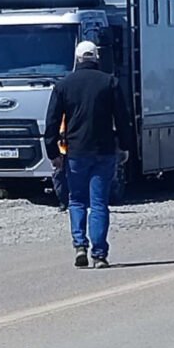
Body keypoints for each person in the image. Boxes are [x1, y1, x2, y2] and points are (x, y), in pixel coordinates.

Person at [44, 40, 132, 269]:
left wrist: (52, 151)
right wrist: (124, 146)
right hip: (104, 151)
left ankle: (80, 246)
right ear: (96, 58)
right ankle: (100, 254)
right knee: (99, 203)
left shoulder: (63, 85)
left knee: (76, 200)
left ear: (77, 59)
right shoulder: (109, 82)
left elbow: (52, 121)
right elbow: (123, 119)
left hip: (76, 153)